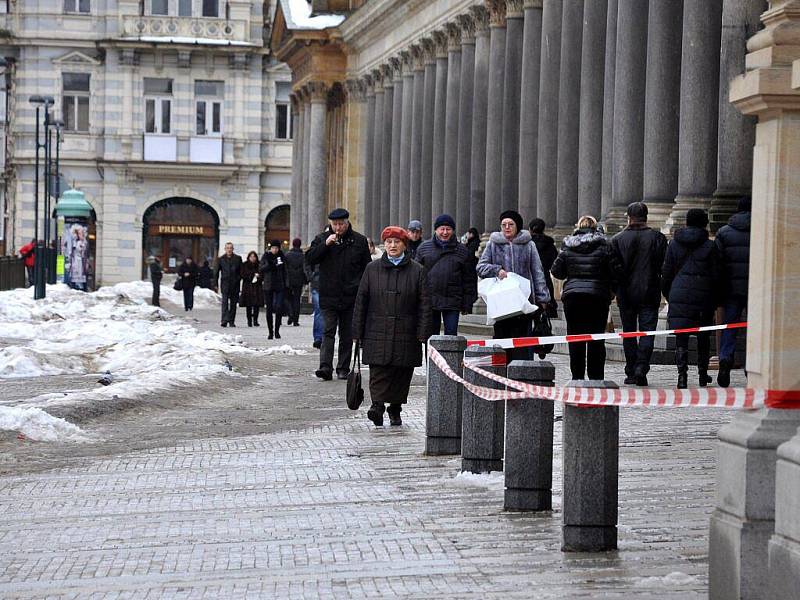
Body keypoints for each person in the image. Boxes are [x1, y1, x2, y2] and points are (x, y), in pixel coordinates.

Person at [353, 226, 431, 427]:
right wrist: (357, 331)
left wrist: (423, 332)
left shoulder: (418, 270)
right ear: (384, 245)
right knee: (378, 369)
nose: (393, 245)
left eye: (397, 242)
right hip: (376, 329)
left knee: (401, 372)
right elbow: (361, 300)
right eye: (389, 242)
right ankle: (377, 406)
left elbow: (424, 304)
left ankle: (395, 409)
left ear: (404, 244)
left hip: (407, 330)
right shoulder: (372, 269)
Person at [551, 215, 623, 381]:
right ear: (595, 227)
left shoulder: (567, 245)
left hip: (573, 296)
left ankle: (577, 377)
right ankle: (596, 377)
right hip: (597, 296)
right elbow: (616, 271)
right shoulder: (605, 244)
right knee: (597, 339)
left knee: (575, 338)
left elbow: (557, 271)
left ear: (578, 226)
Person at [305, 208, 372, 381]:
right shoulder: (321, 239)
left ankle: (343, 368)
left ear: (347, 222)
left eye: (341, 224)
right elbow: (310, 258)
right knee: (328, 331)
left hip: (351, 295)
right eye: (334, 224)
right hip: (328, 294)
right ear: (330, 224)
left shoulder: (359, 240)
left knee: (347, 334)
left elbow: (367, 267)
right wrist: (325, 245)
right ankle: (325, 367)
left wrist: (362, 288)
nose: (338, 227)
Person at [477, 209, 551, 362]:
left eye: (510, 224)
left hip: (523, 301)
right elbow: (481, 267)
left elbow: (537, 272)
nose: (507, 227)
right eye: (504, 224)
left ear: (517, 226)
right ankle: (502, 374)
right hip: (501, 303)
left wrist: (543, 297)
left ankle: (521, 374)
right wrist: (497, 270)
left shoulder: (528, 245)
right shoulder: (493, 244)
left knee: (522, 341)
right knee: (502, 340)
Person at [662, 209, 722, 389]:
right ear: (704, 224)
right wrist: (715, 299)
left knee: (681, 336)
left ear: (686, 223)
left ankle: (682, 376)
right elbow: (716, 276)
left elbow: (666, 274)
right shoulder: (710, 246)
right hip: (703, 296)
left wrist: (669, 294)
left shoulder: (673, 244)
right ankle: (703, 375)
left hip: (678, 294)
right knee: (703, 336)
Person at [611, 202, 668, 386]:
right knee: (647, 333)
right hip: (649, 291)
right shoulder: (658, 238)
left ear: (629, 217)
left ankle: (631, 369)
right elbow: (662, 266)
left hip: (626, 293)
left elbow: (613, 268)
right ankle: (641, 368)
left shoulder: (617, 239)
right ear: (646, 216)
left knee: (628, 332)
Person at [416, 213, 478, 336]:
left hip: (452, 301)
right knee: (431, 336)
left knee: (451, 337)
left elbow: (469, 279)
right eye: (442, 229)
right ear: (436, 230)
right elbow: (416, 275)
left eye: (448, 229)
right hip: (430, 300)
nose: (445, 232)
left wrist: (468, 303)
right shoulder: (423, 248)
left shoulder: (462, 251)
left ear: (453, 231)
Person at [714, 197, 751, 387]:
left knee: (730, 325)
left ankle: (726, 357)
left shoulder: (724, 233)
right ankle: (752, 364)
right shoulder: (762, 230)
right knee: (756, 328)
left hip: (731, 288)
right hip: (756, 288)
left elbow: (718, 264)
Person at [528, 218, 559, 318]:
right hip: (545, 276)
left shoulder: (527, 244)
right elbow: (554, 261)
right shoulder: (549, 244)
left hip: (529, 278)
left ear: (530, 229)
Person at [260, 240, 289, 340]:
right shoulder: (266, 256)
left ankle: (277, 330)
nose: (275, 250)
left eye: (276, 248)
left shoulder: (282, 256)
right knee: (269, 309)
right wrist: (272, 265)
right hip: (268, 285)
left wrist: (287, 284)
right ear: (270, 248)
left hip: (280, 285)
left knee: (279, 307)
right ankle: (270, 332)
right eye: (273, 248)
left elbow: (286, 270)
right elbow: (261, 268)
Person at [213, 242, 242, 327]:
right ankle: (224, 320)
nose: (229, 249)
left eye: (230, 248)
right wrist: (215, 284)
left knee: (233, 304)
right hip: (225, 284)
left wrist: (238, 279)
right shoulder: (221, 259)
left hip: (235, 284)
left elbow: (241, 271)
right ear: (225, 249)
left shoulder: (238, 258)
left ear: (233, 249)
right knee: (224, 303)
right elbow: (216, 272)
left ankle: (231, 321)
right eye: (227, 248)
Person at [284, 238, 307, 326]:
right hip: (299, 280)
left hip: (289, 280)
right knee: (297, 300)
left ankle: (290, 314)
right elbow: (305, 268)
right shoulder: (303, 256)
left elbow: (285, 268)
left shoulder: (287, 255)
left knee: (288, 299)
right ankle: (296, 320)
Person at [239, 250, 264, 327]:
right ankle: (249, 321)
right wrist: (252, 275)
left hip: (257, 287)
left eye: (254, 257)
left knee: (256, 305)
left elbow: (263, 275)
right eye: (251, 257)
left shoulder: (259, 265)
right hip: (248, 287)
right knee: (248, 305)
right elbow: (242, 274)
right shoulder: (245, 265)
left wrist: (259, 277)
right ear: (248, 257)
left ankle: (255, 320)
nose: (253, 258)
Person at [304, 260, 324, 349]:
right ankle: (319, 337)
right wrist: (311, 276)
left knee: (322, 312)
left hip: (327, 283)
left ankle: (322, 337)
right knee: (319, 311)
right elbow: (308, 260)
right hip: (317, 282)